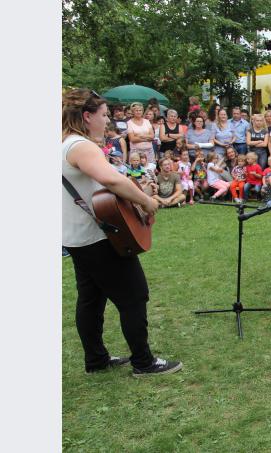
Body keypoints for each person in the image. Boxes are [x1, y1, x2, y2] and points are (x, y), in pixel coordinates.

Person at [61, 88, 181, 376]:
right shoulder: (80, 146)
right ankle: (143, 362)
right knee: (134, 295)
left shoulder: (62, 143)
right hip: (99, 238)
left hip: (77, 237)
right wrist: (147, 201)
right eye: (104, 116)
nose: (108, 122)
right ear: (87, 116)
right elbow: (110, 180)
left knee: (90, 298)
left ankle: (96, 360)